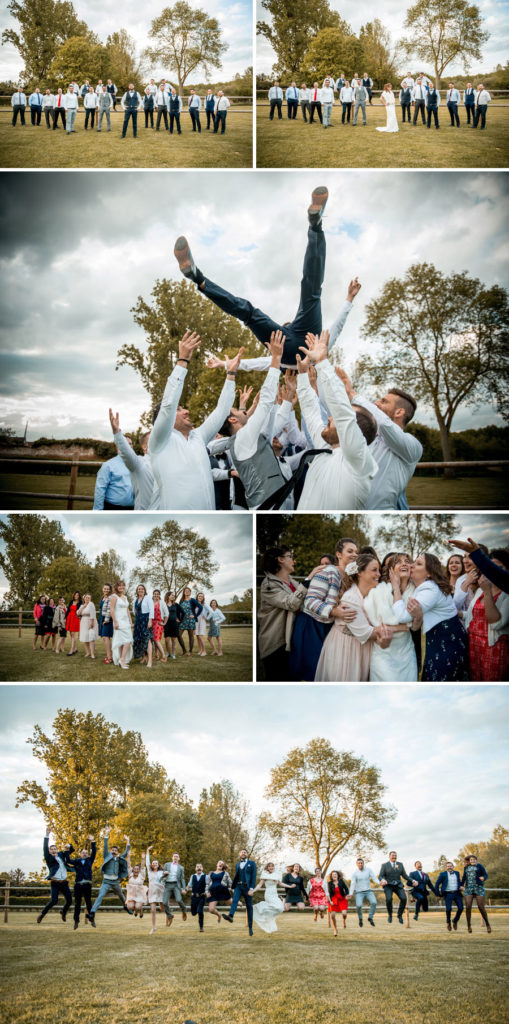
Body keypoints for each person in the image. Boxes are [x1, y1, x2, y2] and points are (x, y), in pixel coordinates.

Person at [174, 186, 329, 369]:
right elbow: (250, 364)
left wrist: (224, 363)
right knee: (250, 313)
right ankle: (198, 278)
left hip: (293, 347)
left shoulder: (280, 348)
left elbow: (252, 364)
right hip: (306, 346)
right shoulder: (305, 343)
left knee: (311, 290)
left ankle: (315, 226)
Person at [148, 331, 241, 510]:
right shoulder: (160, 441)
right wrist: (182, 361)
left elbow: (222, 411)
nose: (187, 411)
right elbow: (168, 405)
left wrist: (231, 374)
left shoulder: (198, 436)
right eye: (180, 409)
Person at [295, 334, 378, 511]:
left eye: (336, 420)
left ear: (354, 431)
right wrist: (302, 376)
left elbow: (343, 413)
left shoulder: (360, 462)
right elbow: (311, 413)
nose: (330, 418)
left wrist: (323, 363)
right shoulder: (324, 448)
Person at [339, 369, 423, 510]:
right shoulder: (367, 438)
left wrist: (352, 394)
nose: (376, 403)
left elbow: (385, 424)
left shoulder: (413, 446)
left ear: (399, 412)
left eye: (383, 401)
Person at [392, 553, 469, 681]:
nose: (411, 565)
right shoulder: (424, 587)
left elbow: (403, 616)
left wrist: (395, 588)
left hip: (446, 643)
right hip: (438, 641)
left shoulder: (430, 590)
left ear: (429, 573)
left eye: (418, 564)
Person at [315, 554, 390, 681]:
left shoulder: (374, 594)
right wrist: (402, 628)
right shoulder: (350, 599)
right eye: (374, 570)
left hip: (363, 648)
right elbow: (366, 632)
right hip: (346, 649)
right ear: (360, 572)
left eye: (379, 570)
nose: (379, 574)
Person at [289, 549, 356, 682]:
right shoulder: (327, 573)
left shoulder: (347, 576)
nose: (323, 567)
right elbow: (310, 601)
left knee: (323, 668)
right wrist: (334, 611)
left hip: (326, 625)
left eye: (326, 563)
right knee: (311, 668)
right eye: (321, 564)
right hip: (310, 623)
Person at [258, 546, 322, 680]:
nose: (294, 561)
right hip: (276, 644)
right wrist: (309, 577)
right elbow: (291, 604)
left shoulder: (292, 582)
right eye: (291, 557)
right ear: (280, 560)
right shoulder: (269, 585)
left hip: (293, 641)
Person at [365, 553, 418, 682]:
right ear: (391, 570)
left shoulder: (417, 590)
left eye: (406, 561)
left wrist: (408, 626)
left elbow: (417, 626)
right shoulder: (379, 590)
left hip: (406, 652)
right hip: (384, 653)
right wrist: (405, 626)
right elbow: (376, 626)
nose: (404, 563)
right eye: (398, 562)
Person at [466, 555, 509, 681]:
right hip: (473, 644)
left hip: (493, 646)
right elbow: (472, 615)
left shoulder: (506, 594)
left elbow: (496, 623)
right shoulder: (479, 591)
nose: (493, 572)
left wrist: (487, 591)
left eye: (499, 568)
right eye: (490, 568)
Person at [108, 410, 157, 510]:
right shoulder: (139, 464)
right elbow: (127, 453)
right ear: (144, 447)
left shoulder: (166, 464)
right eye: (154, 439)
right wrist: (117, 432)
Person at [88, 829, 132, 926]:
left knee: (121, 895)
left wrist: (127, 841)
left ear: (117, 852)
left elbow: (126, 851)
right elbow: (105, 846)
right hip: (106, 881)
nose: (113, 851)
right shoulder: (106, 856)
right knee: (100, 896)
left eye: (115, 850)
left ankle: (126, 907)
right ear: (110, 851)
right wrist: (107, 834)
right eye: (112, 850)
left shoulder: (120, 858)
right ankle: (92, 913)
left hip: (116, 881)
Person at [37, 826, 73, 924]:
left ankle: (63, 912)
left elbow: (71, 849)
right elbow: (45, 847)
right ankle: (42, 914)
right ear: (49, 852)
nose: (53, 850)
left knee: (69, 901)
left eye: (55, 849)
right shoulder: (49, 859)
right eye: (51, 849)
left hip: (64, 883)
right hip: (55, 883)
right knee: (54, 901)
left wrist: (68, 845)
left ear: (57, 850)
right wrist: (47, 835)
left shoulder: (62, 855)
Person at [222, 849, 257, 935]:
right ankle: (231, 916)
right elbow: (237, 876)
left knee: (249, 907)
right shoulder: (237, 864)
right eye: (241, 852)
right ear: (239, 854)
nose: (243, 853)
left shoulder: (252, 864)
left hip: (247, 887)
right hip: (238, 886)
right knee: (235, 900)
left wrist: (251, 889)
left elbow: (253, 877)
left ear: (247, 854)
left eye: (245, 852)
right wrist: (233, 885)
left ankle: (250, 927)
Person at [253, 863, 294, 933]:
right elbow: (259, 884)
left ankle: (266, 917)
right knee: (276, 907)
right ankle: (260, 907)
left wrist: (290, 886)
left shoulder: (276, 874)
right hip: (268, 894)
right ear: (267, 868)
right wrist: (253, 890)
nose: (271, 867)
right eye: (269, 866)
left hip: (275, 893)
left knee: (280, 908)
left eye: (272, 866)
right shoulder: (265, 875)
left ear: (274, 867)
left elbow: (280, 884)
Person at [66, 835, 96, 930]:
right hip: (78, 885)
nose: (85, 854)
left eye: (86, 853)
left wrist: (92, 842)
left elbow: (94, 852)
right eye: (83, 853)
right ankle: (76, 921)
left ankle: (92, 919)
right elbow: (69, 860)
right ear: (80, 854)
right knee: (77, 904)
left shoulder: (89, 861)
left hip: (87, 884)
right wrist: (67, 851)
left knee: (89, 903)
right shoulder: (77, 861)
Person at [379, 851, 417, 924]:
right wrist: (383, 880)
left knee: (404, 898)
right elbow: (381, 875)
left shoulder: (400, 864)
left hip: (398, 885)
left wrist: (413, 880)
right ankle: (390, 914)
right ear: (389, 856)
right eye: (393, 855)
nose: (394, 857)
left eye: (395, 855)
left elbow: (405, 875)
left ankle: (399, 915)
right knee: (389, 899)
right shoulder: (384, 865)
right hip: (388, 885)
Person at [93, 444, 135, 510]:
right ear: (118, 448)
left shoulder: (136, 465)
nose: (129, 445)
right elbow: (100, 489)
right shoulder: (108, 465)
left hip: (133, 509)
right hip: (113, 508)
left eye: (130, 443)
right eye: (124, 442)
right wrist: (97, 511)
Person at [462, 855, 491, 934]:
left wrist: (483, 878)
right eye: (471, 860)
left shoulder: (479, 866)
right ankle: (469, 926)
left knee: (481, 907)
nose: (473, 861)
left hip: (479, 888)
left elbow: (485, 875)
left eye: (474, 859)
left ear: (476, 860)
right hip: (469, 888)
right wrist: (461, 885)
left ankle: (488, 924)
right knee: (468, 907)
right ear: (469, 860)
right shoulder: (466, 867)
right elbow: (464, 877)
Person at [348, 857, 378, 927]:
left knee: (374, 902)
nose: (360, 864)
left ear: (363, 864)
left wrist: (380, 883)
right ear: (357, 864)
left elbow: (374, 878)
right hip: (359, 892)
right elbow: (353, 884)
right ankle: (360, 919)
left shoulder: (368, 870)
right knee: (358, 906)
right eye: (359, 863)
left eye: (361, 863)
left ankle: (370, 917)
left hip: (368, 891)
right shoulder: (355, 873)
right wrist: (350, 894)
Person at [110, 580, 133, 669]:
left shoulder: (125, 597)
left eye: (123, 586)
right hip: (118, 621)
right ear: (116, 587)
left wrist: (130, 621)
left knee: (125, 641)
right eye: (120, 586)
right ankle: (122, 659)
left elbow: (127, 610)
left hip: (126, 621)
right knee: (126, 640)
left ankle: (121, 659)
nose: (121, 587)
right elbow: (112, 610)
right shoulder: (114, 597)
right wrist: (115, 622)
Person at [435, 861, 464, 931]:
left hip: (457, 893)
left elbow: (458, 882)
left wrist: (461, 886)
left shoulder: (457, 873)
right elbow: (437, 884)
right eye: (448, 866)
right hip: (448, 894)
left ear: (453, 867)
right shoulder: (442, 874)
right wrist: (437, 894)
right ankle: (448, 922)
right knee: (448, 909)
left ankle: (455, 920)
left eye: (451, 866)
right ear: (446, 867)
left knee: (461, 908)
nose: (449, 867)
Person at [161, 852, 187, 924]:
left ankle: (184, 910)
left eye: (177, 856)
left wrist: (184, 888)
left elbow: (182, 879)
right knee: (165, 902)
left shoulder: (181, 867)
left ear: (179, 858)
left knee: (178, 900)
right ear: (172, 857)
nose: (175, 857)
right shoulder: (167, 864)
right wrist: (164, 873)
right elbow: (163, 873)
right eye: (174, 856)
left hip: (176, 885)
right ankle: (170, 915)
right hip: (167, 884)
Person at [146, 846, 166, 934]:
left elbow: (165, 879)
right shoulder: (149, 872)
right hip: (152, 892)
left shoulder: (161, 872)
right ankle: (153, 927)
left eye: (156, 863)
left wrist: (166, 874)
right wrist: (147, 851)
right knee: (153, 910)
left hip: (160, 892)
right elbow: (147, 863)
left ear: (158, 865)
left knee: (162, 908)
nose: (154, 864)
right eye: (153, 863)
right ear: (151, 865)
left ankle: (167, 917)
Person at [132, 584, 153, 667]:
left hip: (146, 620)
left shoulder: (148, 598)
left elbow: (151, 610)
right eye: (139, 589)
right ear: (137, 591)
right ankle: (143, 657)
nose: (140, 590)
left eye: (142, 589)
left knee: (147, 639)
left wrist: (150, 621)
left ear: (144, 590)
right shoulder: (135, 600)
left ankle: (150, 660)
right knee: (140, 640)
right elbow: (134, 611)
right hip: (138, 621)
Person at [178, 586, 202, 656]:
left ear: (190, 592)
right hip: (182, 620)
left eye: (188, 591)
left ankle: (190, 652)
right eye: (185, 591)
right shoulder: (181, 600)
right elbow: (179, 609)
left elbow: (200, 607)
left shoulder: (193, 600)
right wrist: (178, 617)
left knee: (191, 636)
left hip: (190, 620)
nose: (187, 592)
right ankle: (184, 650)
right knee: (178, 635)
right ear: (184, 592)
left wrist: (195, 615)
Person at [186, 864, 209, 932]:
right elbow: (189, 885)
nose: (199, 868)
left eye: (200, 867)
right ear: (195, 869)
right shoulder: (192, 876)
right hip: (194, 897)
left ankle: (201, 927)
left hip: (202, 896)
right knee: (193, 913)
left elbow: (207, 885)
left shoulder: (206, 876)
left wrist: (207, 892)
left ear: (202, 868)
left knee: (200, 911)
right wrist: (185, 890)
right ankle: (195, 911)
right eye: (197, 867)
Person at [164, 591, 185, 658]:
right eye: (172, 595)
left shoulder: (176, 604)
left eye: (173, 595)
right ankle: (168, 653)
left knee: (173, 640)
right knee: (167, 640)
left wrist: (180, 620)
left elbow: (183, 612)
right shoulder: (164, 604)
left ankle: (173, 654)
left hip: (174, 624)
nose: (173, 596)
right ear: (168, 596)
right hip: (166, 624)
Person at [126, 852, 148, 917]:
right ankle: (136, 910)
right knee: (130, 907)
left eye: (137, 869)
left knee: (137, 906)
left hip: (140, 895)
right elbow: (128, 865)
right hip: (131, 895)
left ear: (139, 870)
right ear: (133, 870)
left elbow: (143, 866)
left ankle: (138, 910)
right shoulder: (130, 875)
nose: (136, 870)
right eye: (134, 869)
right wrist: (129, 856)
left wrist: (143, 859)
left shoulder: (142, 875)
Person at [77, 593, 97, 660]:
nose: (87, 599)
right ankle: (87, 652)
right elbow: (78, 613)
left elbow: (93, 614)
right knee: (85, 638)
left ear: (90, 599)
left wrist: (91, 623)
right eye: (86, 597)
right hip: (83, 622)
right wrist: (83, 606)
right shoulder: (82, 605)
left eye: (89, 598)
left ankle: (93, 654)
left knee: (91, 638)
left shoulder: (91, 604)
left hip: (90, 621)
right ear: (84, 598)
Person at [98, 583, 114, 664]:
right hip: (102, 618)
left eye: (108, 589)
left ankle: (110, 657)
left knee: (105, 637)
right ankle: (109, 655)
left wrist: (106, 620)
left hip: (108, 619)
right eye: (105, 588)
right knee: (104, 637)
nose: (106, 590)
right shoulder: (103, 597)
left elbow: (109, 610)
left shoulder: (111, 597)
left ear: (110, 590)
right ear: (102, 589)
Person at [151, 590, 168, 661]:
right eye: (155, 594)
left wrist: (164, 623)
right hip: (152, 623)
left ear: (159, 595)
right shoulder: (151, 602)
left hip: (158, 623)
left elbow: (167, 614)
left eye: (157, 594)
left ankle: (164, 656)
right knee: (154, 640)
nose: (156, 595)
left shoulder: (162, 603)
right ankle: (156, 655)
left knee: (156, 640)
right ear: (153, 595)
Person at [65, 591, 82, 656]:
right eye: (75, 595)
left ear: (79, 596)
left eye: (77, 595)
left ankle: (71, 650)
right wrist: (65, 618)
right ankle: (75, 649)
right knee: (71, 634)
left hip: (75, 618)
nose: (76, 596)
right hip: (69, 618)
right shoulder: (71, 601)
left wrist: (80, 617)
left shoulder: (80, 603)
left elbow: (81, 611)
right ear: (74, 595)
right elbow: (68, 610)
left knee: (73, 633)